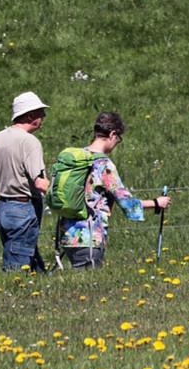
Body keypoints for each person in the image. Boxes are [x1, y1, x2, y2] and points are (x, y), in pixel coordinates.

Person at [57, 112, 171, 269]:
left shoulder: (77, 159)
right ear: (112, 134)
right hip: (90, 236)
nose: (117, 143)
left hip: (67, 234)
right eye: (118, 139)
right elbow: (126, 203)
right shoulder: (104, 164)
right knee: (89, 288)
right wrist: (156, 203)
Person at [0, 91, 50, 271]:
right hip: (23, 208)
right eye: (40, 112)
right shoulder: (29, 142)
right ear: (30, 115)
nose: (43, 116)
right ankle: (14, 294)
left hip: (3, 210)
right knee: (16, 267)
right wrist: (66, 194)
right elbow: (39, 183)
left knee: (27, 258)